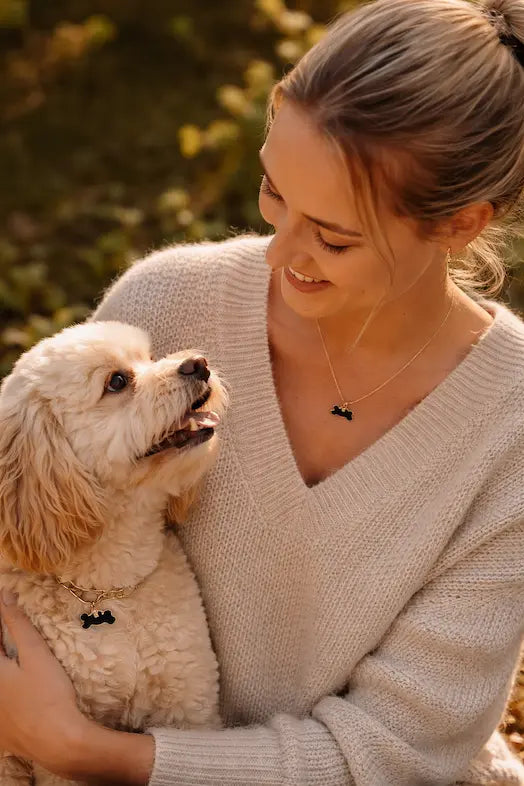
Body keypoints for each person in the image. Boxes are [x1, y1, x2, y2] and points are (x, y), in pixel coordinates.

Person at [1, 0, 524, 783]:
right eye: (273, 192)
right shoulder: (165, 305)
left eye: (335, 236)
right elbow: (35, 538)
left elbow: (393, 751)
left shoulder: (509, 425)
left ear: (459, 223)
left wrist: (81, 751)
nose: (281, 254)